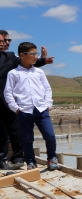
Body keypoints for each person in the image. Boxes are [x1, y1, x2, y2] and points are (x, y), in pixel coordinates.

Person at [4, 42, 60, 171]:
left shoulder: (39, 72)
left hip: (41, 109)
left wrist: (48, 104)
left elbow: (47, 89)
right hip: (24, 110)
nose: (36, 56)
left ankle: (52, 158)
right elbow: (8, 92)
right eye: (33, 54)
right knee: (27, 138)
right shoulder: (13, 73)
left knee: (50, 136)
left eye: (36, 54)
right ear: (22, 55)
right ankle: (30, 161)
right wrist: (16, 108)